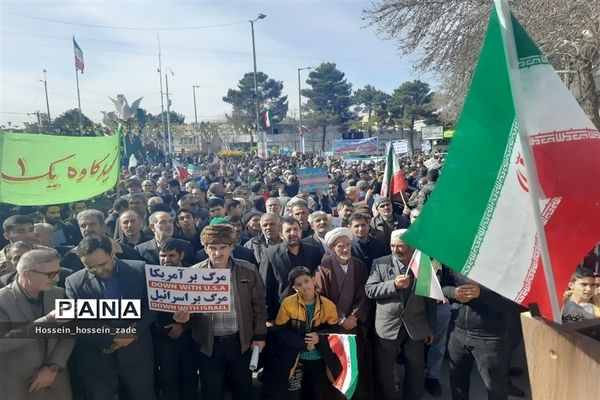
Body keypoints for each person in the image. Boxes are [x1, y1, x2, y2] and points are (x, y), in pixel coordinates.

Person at [173, 224, 267, 400]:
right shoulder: (193, 274)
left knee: (243, 390)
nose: (218, 253)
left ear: (232, 246)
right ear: (205, 248)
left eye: (223, 247)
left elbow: (259, 306)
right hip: (209, 345)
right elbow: (188, 310)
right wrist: (184, 316)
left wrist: (260, 336)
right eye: (212, 248)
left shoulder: (248, 270)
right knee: (212, 391)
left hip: (241, 342)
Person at [65, 235, 156, 400]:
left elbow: (152, 306)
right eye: (90, 266)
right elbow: (74, 320)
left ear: (113, 253)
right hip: (97, 357)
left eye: (102, 264)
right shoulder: (73, 281)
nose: (98, 270)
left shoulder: (140, 269)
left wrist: (131, 333)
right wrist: (112, 338)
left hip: (136, 353)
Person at [365, 229, 436, 400]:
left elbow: (430, 299)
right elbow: (370, 290)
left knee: (416, 368)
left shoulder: (423, 264)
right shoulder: (380, 263)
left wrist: (430, 328)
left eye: (400, 246)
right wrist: (393, 285)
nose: (395, 250)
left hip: (416, 325)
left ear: (411, 247)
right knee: (385, 368)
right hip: (388, 326)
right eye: (392, 245)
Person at [0, 248, 75, 400]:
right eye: (50, 274)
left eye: (58, 271)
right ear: (26, 274)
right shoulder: (2, 301)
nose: (56, 278)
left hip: (56, 383)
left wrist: (53, 366)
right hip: (17, 386)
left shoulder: (60, 294)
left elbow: (69, 334)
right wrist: (49, 321)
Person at [262, 266, 339, 400]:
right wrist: (301, 342)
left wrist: (319, 338)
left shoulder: (328, 305)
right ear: (294, 288)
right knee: (294, 394)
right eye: (299, 284)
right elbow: (280, 331)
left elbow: (335, 331)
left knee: (317, 392)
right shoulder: (288, 303)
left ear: (313, 280)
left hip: (319, 358)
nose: (304, 286)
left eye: (306, 281)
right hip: (294, 358)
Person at [442, 267, 519, 400]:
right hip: (457, 331)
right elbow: (442, 286)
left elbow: (513, 306)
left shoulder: (505, 264)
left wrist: (481, 294)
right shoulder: (457, 259)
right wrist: (453, 292)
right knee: (457, 384)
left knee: (496, 389)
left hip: (490, 336)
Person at [314, 227, 373, 399]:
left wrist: (354, 317)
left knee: (356, 364)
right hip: (334, 326)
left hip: (355, 325)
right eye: (340, 246)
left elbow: (364, 293)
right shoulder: (323, 268)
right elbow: (321, 296)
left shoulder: (359, 265)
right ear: (332, 247)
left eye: (348, 244)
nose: (345, 249)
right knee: (337, 367)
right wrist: (341, 319)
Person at [153, 240, 199, 400]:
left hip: (190, 339)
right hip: (163, 339)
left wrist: (183, 326)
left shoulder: (195, 275)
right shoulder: (152, 277)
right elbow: (149, 310)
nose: (166, 259)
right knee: (168, 380)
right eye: (162, 255)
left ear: (182, 255)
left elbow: (205, 309)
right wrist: (166, 329)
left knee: (190, 378)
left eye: (171, 255)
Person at [260, 217, 324, 321]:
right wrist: (269, 317)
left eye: (295, 229)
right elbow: (265, 288)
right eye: (288, 230)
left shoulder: (314, 252)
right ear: (281, 234)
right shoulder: (270, 254)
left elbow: (319, 282)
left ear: (301, 232)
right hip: (283, 313)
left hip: (311, 312)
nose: (292, 233)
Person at [60, 209, 141, 271]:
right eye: (83, 226)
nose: (87, 229)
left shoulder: (128, 253)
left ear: (103, 226)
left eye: (92, 224)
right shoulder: (71, 257)